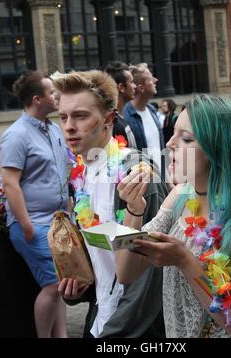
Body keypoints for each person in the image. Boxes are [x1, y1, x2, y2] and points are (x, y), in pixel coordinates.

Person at [116, 94, 231, 338]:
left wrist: (185, 260)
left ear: (220, 149)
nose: (170, 144)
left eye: (186, 138)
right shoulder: (179, 197)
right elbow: (125, 273)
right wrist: (134, 210)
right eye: (173, 133)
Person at [51, 70, 168, 338]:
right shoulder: (80, 175)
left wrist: (113, 335)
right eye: (63, 117)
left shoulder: (135, 174)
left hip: (134, 330)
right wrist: (81, 286)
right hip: (100, 319)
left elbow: (147, 275)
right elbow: (105, 259)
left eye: (80, 116)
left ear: (108, 119)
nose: (69, 126)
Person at [0, 70, 69, 338]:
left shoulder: (53, 129)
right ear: (37, 99)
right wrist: (27, 225)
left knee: (63, 285)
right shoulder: (16, 135)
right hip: (35, 225)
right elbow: (10, 183)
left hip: (60, 223)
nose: (58, 97)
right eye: (53, 92)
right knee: (54, 285)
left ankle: (61, 336)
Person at [123, 63, 165, 175]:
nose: (156, 80)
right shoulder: (126, 115)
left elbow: (160, 149)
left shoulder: (152, 111)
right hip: (144, 184)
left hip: (161, 181)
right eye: (151, 79)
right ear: (141, 88)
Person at [104, 61, 137, 148]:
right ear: (121, 87)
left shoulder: (119, 120)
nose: (135, 86)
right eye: (132, 82)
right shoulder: (114, 125)